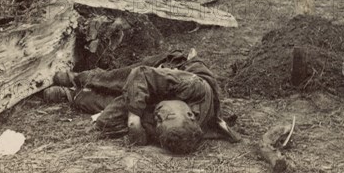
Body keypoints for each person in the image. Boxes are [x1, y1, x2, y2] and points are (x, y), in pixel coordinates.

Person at [43, 50, 240, 154]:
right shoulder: (193, 86)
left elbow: (109, 123)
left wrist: (136, 126)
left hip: (166, 98)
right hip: (169, 70)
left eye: (159, 122)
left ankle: (73, 96)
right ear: (190, 115)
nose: (160, 116)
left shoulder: (174, 129)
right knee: (121, 79)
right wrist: (135, 118)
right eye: (167, 117)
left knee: (112, 114)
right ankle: (79, 78)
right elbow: (142, 75)